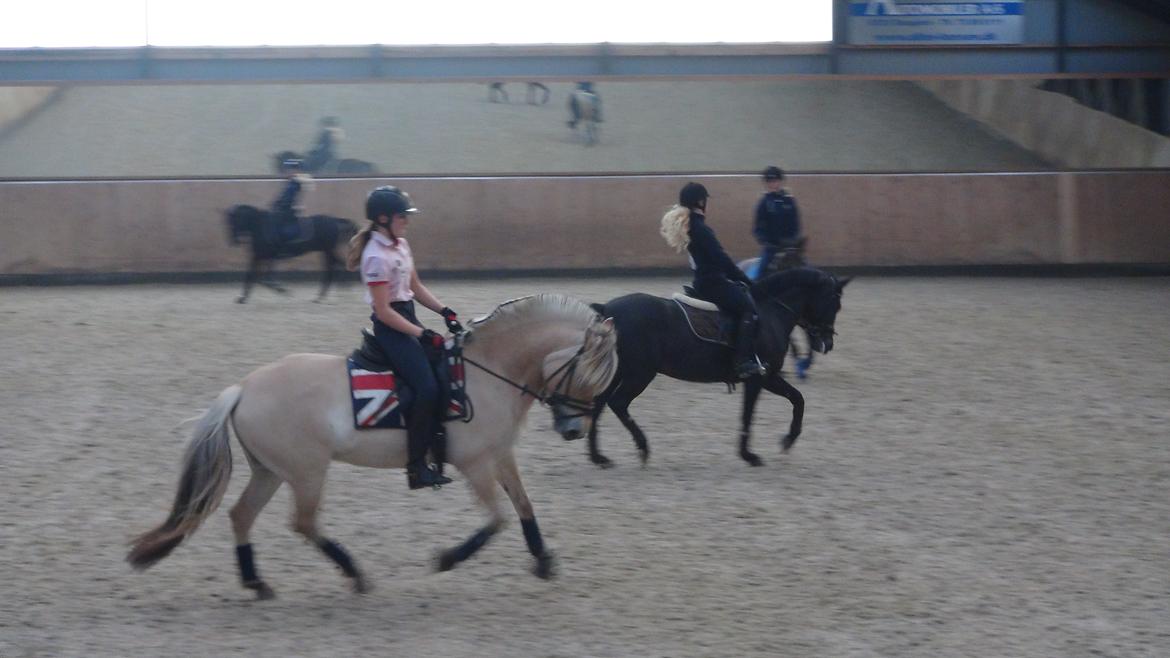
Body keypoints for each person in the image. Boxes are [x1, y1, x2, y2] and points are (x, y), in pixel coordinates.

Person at [345, 186, 464, 490]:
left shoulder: (401, 245)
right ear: (383, 219)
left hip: (408, 317)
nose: (407, 221)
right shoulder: (374, 257)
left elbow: (416, 287)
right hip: (391, 329)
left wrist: (444, 311)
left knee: (446, 369)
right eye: (403, 216)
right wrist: (421, 334)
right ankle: (416, 468)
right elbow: (384, 311)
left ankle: (438, 444)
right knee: (426, 387)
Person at [661, 182, 766, 380]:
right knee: (748, 310)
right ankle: (743, 361)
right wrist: (743, 278)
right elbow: (721, 258)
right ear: (700, 202)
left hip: (703, 281)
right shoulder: (701, 228)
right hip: (714, 283)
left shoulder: (690, 226)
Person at [750, 166, 802, 280]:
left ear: (780, 181)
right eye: (769, 182)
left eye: (775, 181)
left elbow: (796, 223)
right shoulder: (764, 203)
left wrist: (793, 239)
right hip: (772, 247)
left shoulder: (789, 201)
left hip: (789, 245)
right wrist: (764, 240)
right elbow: (757, 227)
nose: (772, 184)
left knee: (805, 267)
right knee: (761, 272)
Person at [270, 158, 312, 249]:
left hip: (290, 209)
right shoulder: (289, 183)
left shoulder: (295, 183)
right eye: (287, 169)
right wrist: (275, 203)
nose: (287, 172)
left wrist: (281, 205)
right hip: (285, 208)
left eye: (289, 169)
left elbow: (290, 198)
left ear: (296, 170)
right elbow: (283, 196)